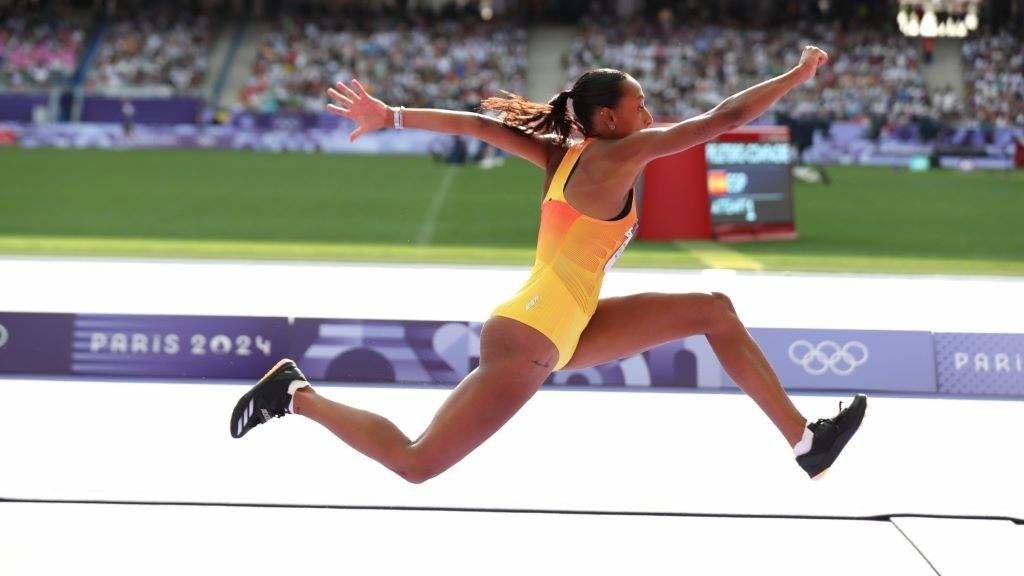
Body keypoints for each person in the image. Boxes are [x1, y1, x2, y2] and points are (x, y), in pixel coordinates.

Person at [230, 45, 866, 483]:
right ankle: (295, 394)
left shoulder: (562, 157)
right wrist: (796, 76)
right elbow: (725, 118)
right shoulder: (621, 154)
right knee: (417, 462)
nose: (650, 114)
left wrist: (393, 114)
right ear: (609, 118)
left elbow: (479, 126)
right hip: (532, 331)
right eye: (641, 105)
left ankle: (806, 443)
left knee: (714, 311)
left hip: (567, 326)